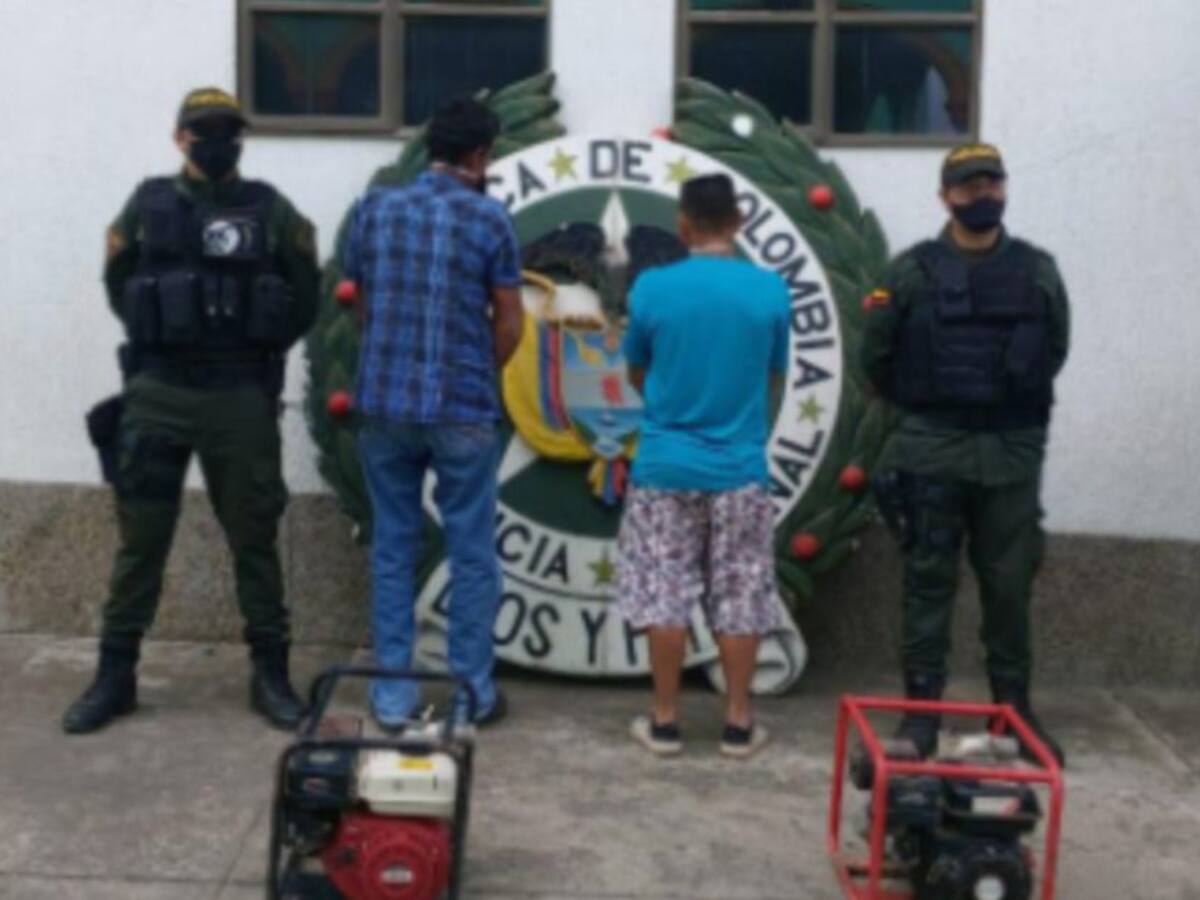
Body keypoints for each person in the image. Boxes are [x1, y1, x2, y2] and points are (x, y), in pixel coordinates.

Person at [63, 87, 320, 734]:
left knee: (255, 538)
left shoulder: (270, 208)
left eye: (228, 130)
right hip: (160, 394)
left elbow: (306, 291)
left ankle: (270, 673)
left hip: (239, 396)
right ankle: (114, 674)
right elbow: (120, 282)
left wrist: (259, 344)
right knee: (140, 540)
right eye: (203, 130)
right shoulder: (148, 205)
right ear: (179, 137)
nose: (217, 140)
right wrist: (165, 336)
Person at [861, 143, 1071, 765]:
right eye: (968, 185)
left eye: (991, 183)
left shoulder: (1037, 270)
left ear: (1005, 188)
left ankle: (1015, 711)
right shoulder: (908, 273)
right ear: (945, 196)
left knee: (1009, 587)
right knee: (928, 585)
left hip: (1009, 456)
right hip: (932, 450)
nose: (982, 195)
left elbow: (1053, 351)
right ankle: (921, 714)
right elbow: (877, 358)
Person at [343, 98, 525, 730]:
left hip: (383, 407)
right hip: (462, 407)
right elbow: (510, 322)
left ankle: (393, 696)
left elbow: (359, 302)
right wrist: (483, 370)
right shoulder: (490, 219)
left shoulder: (373, 208)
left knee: (393, 546)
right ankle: (471, 693)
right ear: (479, 157)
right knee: (471, 551)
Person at [617, 173, 790, 759]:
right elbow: (771, 377)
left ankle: (665, 721)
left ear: (683, 225)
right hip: (740, 466)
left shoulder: (650, 289)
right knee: (740, 590)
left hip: (664, 464)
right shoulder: (770, 292)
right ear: (738, 222)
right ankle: (738, 723)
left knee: (663, 591)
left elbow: (637, 372)